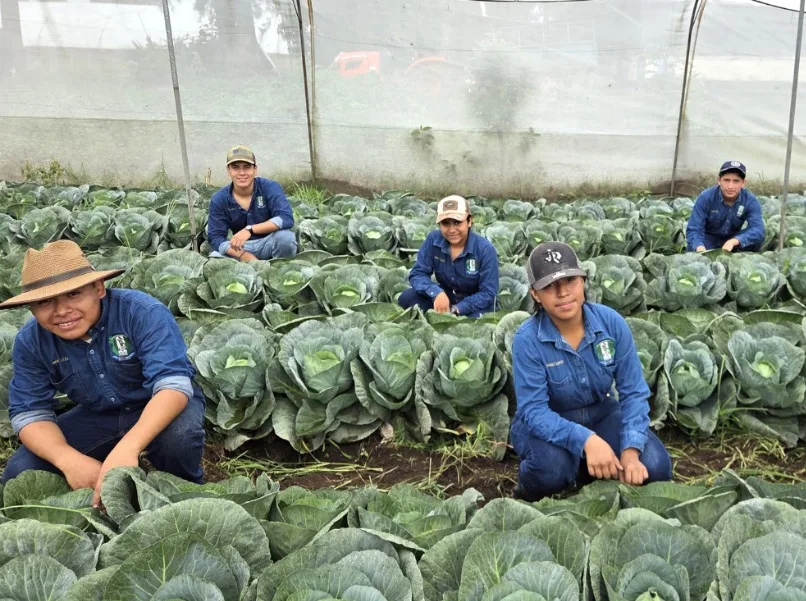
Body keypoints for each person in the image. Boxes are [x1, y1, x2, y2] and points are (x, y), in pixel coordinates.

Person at [0, 241, 206, 505]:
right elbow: (30, 414)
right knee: (21, 471)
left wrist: (128, 449)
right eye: (45, 301)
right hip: (98, 415)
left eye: (73, 294)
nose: (62, 310)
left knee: (179, 436)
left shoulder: (141, 313)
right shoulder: (31, 341)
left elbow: (173, 386)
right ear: (31, 308)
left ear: (98, 288)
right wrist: (69, 460)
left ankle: (184, 491)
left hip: (159, 404)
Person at [509, 242, 672, 501]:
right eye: (549, 286)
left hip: (601, 413)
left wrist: (629, 451)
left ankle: (586, 466)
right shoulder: (527, 340)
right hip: (547, 421)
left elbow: (633, 392)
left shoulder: (611, 324)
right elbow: (534, 411)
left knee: (655, 467)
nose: (562, 292)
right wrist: (587, 441)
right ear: (535, 295)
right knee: (550, 471)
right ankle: (533, 485)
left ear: (583, 282)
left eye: (570, 280)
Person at [398, 195, 499, 317]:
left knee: (474, 323)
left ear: (469, 221)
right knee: (407, 298)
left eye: (457, 222)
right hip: (446, 296)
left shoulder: (485, 249)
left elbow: (488, 293)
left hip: (475, 304)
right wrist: (436, 293)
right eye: (445, 223)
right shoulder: (433, 240)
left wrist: (458, 308)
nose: (452, 230)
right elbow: (418, 274)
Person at [207, 145, 297, 261]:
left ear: (255, 169)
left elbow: (286, 218)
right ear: (228, 170)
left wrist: (250, 229)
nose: (242, 173)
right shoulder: (219, 199)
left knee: (286, 238)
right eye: (235, 168)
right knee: (216, 257)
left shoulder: (270, 187)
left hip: (269, 242)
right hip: (239, 248)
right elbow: (215, 237)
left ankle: (279, 268)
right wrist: (243, 255)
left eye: (247, 167)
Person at [686, 160, 764, 252]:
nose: (730, 186)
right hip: (708, 241)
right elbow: (694, 228)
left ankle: (736, 256)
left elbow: (758, 229)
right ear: (719, 180)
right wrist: (700, 248)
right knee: (694, 246)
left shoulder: (750, 200)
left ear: (743, 183)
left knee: (757, 240)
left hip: (734, 241)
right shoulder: (706, 197)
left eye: (736, 181)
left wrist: (732, 242)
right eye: (727, 180)